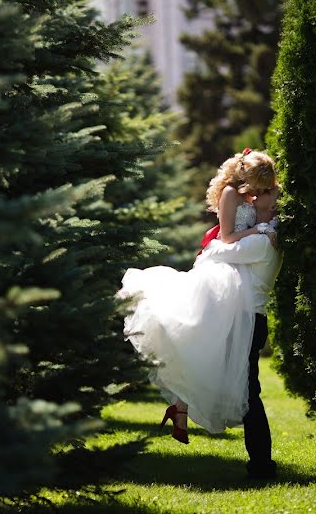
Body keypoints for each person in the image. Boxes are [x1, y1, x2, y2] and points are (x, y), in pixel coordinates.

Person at [119, 149, 278, 449]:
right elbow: (226, 239)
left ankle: (180, 408)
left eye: (264, 189)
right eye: (258, 187)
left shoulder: (254, 201)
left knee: (203, 346)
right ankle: (182, 408)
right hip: (220, 273)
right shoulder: (231, 194)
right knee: (193, 334)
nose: (259, 194)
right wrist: (259, 228)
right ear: (245, 177)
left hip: (236, 280)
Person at [197, 186, 281, 479]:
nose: (258, 200)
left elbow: (216, 250)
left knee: (250, 394)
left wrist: (244, 230)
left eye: (266, 198)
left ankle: (262, 465)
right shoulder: (264, 236)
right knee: (248, 391)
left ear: (273, 210)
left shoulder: (262, 242)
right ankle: (261, 463)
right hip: (249, 320)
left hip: (248, 322)